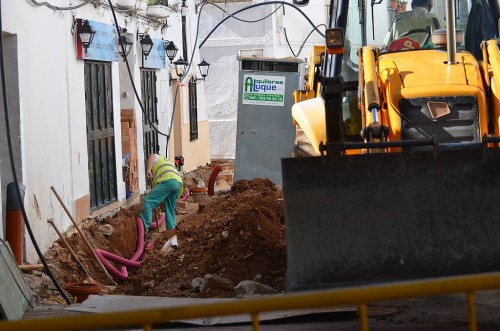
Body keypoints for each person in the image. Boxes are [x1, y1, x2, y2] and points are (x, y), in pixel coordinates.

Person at [138, 153, 183, 233]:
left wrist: (148, 170)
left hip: (168, 181)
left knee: (147, 201)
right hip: (178, 184)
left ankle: (143, 231)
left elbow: (151, 155)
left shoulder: (159, 158)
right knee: (170, 209)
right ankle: (171, 233)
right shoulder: (167, 162)